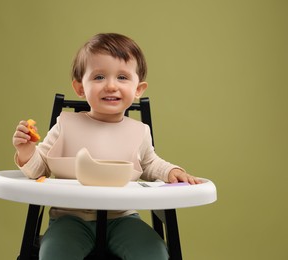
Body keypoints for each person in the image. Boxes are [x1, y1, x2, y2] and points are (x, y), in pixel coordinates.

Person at [12, 33, 201, 260]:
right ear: (80, 87)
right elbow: (39, 169)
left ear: (138, 89)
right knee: (54, 254)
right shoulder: (65, 124)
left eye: (122, 77)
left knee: (155, 254)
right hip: (70, 219)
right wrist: (26, 152)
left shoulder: (139, 131)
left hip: (122, 219)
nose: (111, 86)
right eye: (99, 77)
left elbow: (151, 164)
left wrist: (172, 172)